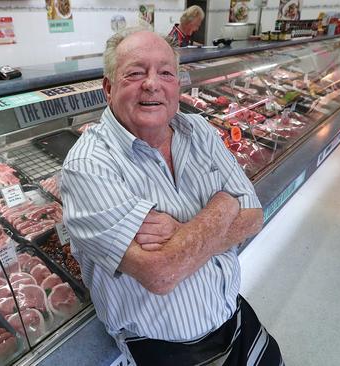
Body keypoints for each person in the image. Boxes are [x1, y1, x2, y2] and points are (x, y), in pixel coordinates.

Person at [60, 27, 283, 365]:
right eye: (135, 73)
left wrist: (182, 236)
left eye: (165, 72)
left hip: (233, 316)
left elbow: (253, 216)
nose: (152, 83)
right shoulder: (87, 165)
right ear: (108, 88)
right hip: (162, 348)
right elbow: (161, 272)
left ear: (177, 84)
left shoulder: (200, 131)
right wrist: (224, 204)